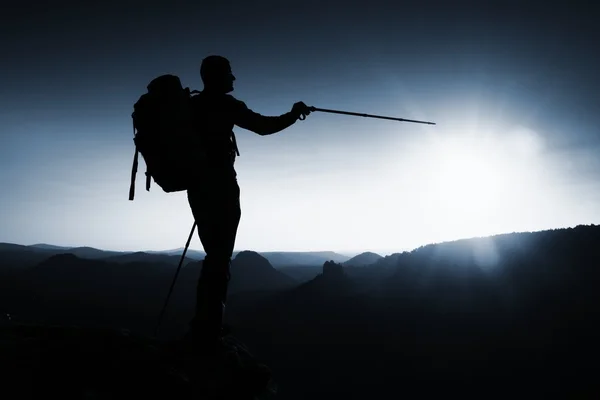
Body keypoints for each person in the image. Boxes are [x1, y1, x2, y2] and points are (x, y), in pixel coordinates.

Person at [185, 55, 311, 353]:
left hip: (197, 186)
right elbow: (264, 127)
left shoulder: (190, 105)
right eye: (229, 73)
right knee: (220, 256)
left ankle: (205, 323)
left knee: (213, 254)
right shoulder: (226, 105)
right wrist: (295, 114)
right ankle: (209, 328)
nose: (234, 78)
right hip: (222, 185)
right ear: (216, 76)